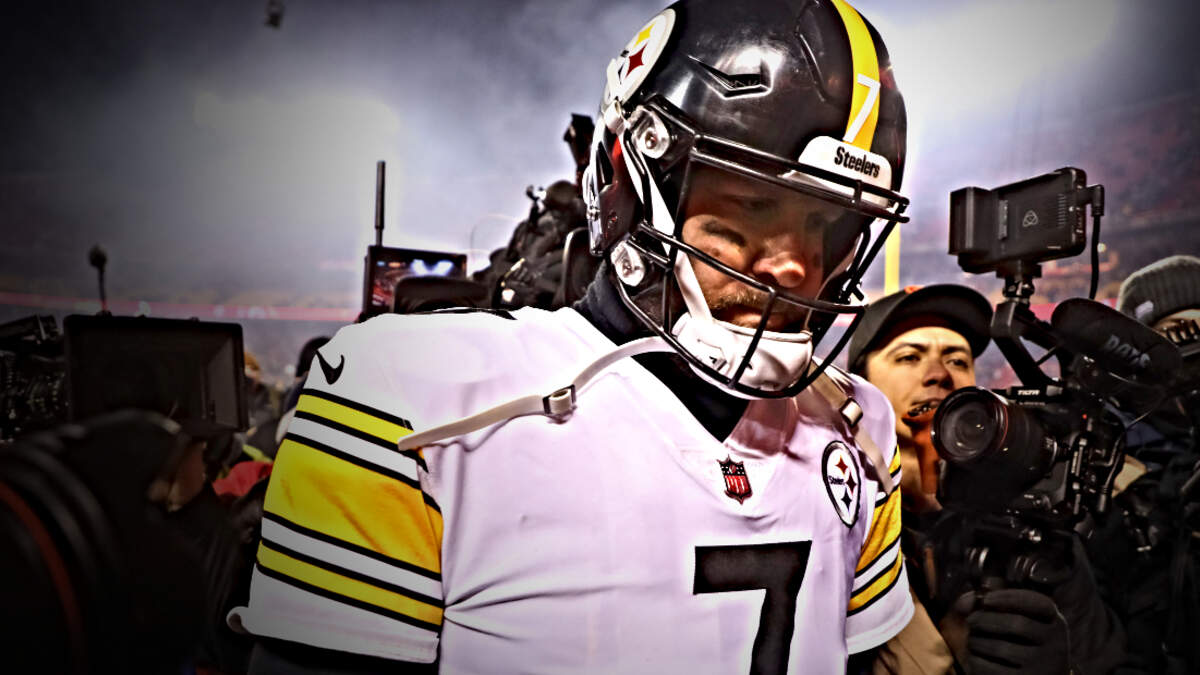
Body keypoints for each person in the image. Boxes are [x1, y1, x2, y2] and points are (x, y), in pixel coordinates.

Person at [231, 0, 914, 671]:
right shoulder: (408, 399)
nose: (796, 265)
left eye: (828, 224)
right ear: (627, 178)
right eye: (754, 203)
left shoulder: (858, 425)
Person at [848, 284, 1125, 674]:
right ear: (860, 384)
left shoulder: (1031, 526)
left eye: (958, 361)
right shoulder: (838, 524)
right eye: (909, 357)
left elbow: (1105, 661)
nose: (939, 375)